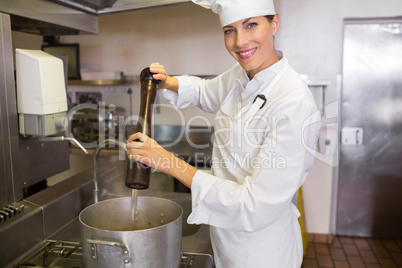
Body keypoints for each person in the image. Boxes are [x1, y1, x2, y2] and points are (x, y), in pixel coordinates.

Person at [126, 0, 321, 267]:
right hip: (225, 238)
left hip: (262, 252)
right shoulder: (242, 76)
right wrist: (168, 82)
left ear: (274, 24)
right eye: (230, 30)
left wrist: (167, 162)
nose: (240, 41)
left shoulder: (294, 101)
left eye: (251, 25)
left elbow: (255, 206)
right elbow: (207, 92)